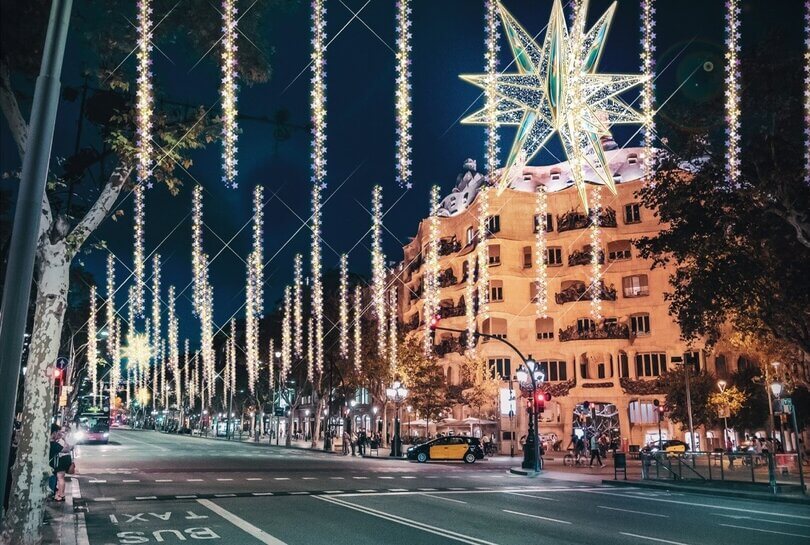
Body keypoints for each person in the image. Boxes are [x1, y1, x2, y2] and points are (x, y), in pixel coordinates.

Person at [49, 424, 72, 502]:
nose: (60, 433)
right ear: (54, 433)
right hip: (54, 465)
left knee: (58, 478)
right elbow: (67, 449)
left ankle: (59, 494)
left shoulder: (53, 442)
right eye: (59, 432)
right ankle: (60, 494)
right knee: (59, 478)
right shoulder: (54, 443)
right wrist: (64, 439)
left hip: (56, 463)